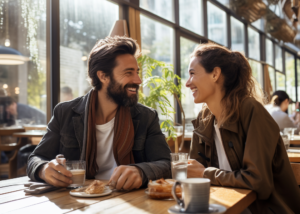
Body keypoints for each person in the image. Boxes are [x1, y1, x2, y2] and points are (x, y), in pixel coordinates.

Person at [27, 36, 171, 190]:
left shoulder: (146, 117)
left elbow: (167, 163)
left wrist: (141, 171)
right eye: (129, 73)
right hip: (79, 200)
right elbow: (35, 158)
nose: (138, 80)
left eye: (137, 72)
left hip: (128, 198)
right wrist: (43, 169)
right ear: (103, 76)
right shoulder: (65, 113)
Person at [186, 43, 300, 213]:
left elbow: (258, 181)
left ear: (215, 74)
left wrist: (205, 174)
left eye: (192, 74)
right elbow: (193, 174)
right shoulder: (203, 121)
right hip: (223, 206)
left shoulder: (251, 110)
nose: (188, 83)